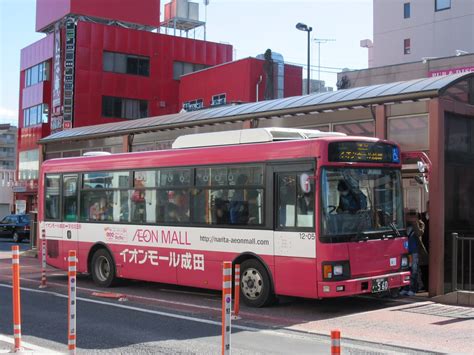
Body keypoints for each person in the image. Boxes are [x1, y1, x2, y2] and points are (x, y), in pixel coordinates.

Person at [400, 213, 426, 296]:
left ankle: (413, 288)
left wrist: (415, 223)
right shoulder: (404, 224)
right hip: (406, 251)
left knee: (414, 270)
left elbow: (419, 233)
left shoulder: (420, 223)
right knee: (406, 270)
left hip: (415, 251)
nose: (410, 218)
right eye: (409, 216)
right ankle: (405, 288)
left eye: (413, 216)